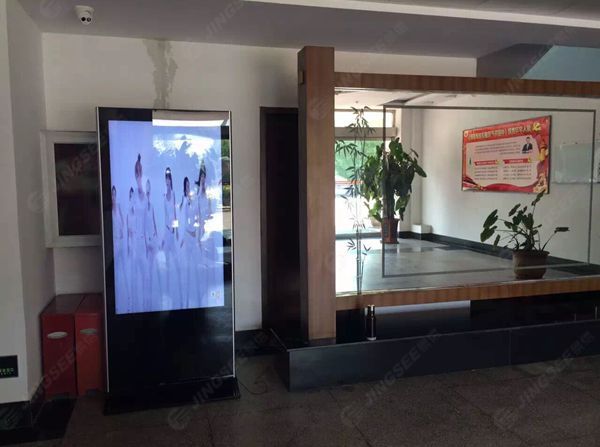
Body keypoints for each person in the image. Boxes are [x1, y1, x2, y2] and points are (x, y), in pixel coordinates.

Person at [162, 168, 182, 309]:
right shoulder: (164, 195)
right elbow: (164, 215)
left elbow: (174, 213)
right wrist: (165, 234)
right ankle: (168, 289)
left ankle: (178, 285)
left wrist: (176, 230)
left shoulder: (173, 194)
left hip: (172, 231)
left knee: (175, 259)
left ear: (171, 180)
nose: (167, 180)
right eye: (166, 178)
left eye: (169, 178)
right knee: (167, 260)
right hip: (166, 230)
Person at [130, 154, 147, 312]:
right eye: (136, 170)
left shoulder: (143, 194)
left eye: (140, 170)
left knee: (144, 275)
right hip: (135, 242)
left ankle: (146, 307)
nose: (138, 173)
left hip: (143, 241)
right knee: (135, 276)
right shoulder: (133, 195)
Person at [180, 176, 200, 308]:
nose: (188, 188)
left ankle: (197, 300)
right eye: (186, 185)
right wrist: (183, 237)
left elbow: (196, 216)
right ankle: (185, 301)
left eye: (189, 185)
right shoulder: (183, 200)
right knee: (186, 269)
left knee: (195, 268)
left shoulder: (193, 200)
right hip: (187, 237)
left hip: (193, 236)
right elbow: (182, 219)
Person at [144, 179, 161, 310]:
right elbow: (143, 226)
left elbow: (155, 223)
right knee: (149, 269)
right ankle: (148, 297)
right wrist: (146, 243)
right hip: (147, 241)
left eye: (149, 188)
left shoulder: (152, 206)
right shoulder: (143, 207)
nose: (148, 191)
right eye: (147, 188)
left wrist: (157, 239)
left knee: (156, 267)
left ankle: (157, 294)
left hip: (153, 240)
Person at [112, 186, 127, 313]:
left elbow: (123, 222)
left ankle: (127, 298)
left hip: (120, 242)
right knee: (116, 272)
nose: (113, 197)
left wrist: (122, 232)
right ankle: (118, 301)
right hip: (114, 243)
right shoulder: (110, 210)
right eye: (112, 194)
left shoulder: (119, 207)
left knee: (124, 269)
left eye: (114, 194)